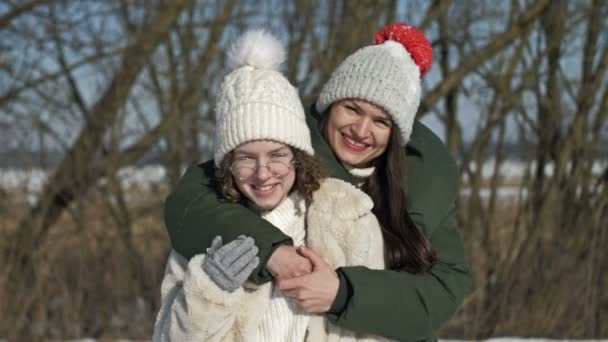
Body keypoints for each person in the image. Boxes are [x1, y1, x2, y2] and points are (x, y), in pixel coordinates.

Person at [163, 23, 471, 341]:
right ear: (329, 105)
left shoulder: (421, 188)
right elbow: (193, 201)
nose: (361, 130)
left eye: (381, 121)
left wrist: (344, 293)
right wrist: (269, 251)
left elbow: (442, 291)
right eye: (352, 108)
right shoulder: (282, 154)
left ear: (396, 134)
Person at [153, 29, 388, 341]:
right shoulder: (205, 236)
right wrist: (210, 291)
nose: (263, 174)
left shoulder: (349, 221)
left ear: (298, 156)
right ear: (227, 166)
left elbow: (374, 332)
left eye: (277, 155)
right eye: (246, 158)